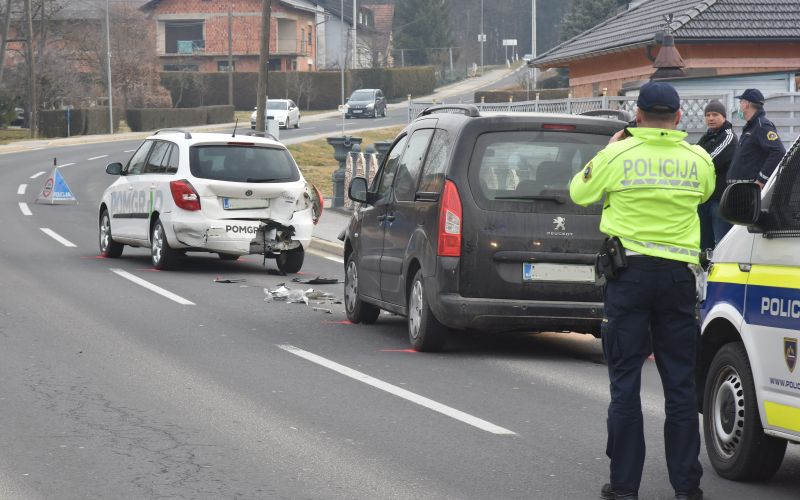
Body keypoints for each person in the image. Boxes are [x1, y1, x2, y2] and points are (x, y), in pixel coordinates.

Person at [569, 81, 715, 500]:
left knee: (626, 382)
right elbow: (706, 193)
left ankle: (625, 487)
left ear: (637, 116)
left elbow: (580, 191)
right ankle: (687, 487)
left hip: (628, 276)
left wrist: (610, 148)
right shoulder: (698, 158)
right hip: (677, 280)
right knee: (680, 385)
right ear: (676, 118)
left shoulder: (618, 153)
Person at [696, 100, 737, 249]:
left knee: (722, 243)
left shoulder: (728, 137)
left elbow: (708, 161)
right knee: (703, 243)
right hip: (705, 198)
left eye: (715, 114)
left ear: (724, 117)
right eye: (707, 115)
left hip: (719, 200)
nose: (711, 118)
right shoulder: (707, 136)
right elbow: (695, 153)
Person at [727, 88, 786, 188]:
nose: (740, 105)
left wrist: (761, 180)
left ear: (746, 104)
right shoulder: (751, 126)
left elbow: (778, 151)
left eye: (740, 102)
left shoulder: (762, 126)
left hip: (748, 191)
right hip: (738, 190)